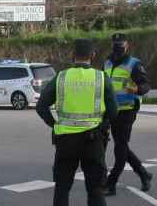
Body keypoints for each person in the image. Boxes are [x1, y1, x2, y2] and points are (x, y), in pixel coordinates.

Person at [36, 39, 117, 206]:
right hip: (93, 140)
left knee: (62, 188)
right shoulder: (101, 78)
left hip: (66, 140)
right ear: (93, 56)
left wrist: (55, 124)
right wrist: (102, 126)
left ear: (72, 55)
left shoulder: (61, 77)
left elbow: (41, 106)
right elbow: (113, 111)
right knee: (95, 189)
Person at [103, 33, 153, 196]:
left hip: (127, 112)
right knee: (122, 147)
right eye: (115, 46)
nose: (118, 49)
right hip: (111, 111)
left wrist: (137, 89)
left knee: (120, 150)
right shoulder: (107, 63)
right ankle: (144, 173)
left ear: (127, 46)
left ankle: (111, 183)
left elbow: (146, 85)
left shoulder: (134, 64)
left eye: (121, 46)